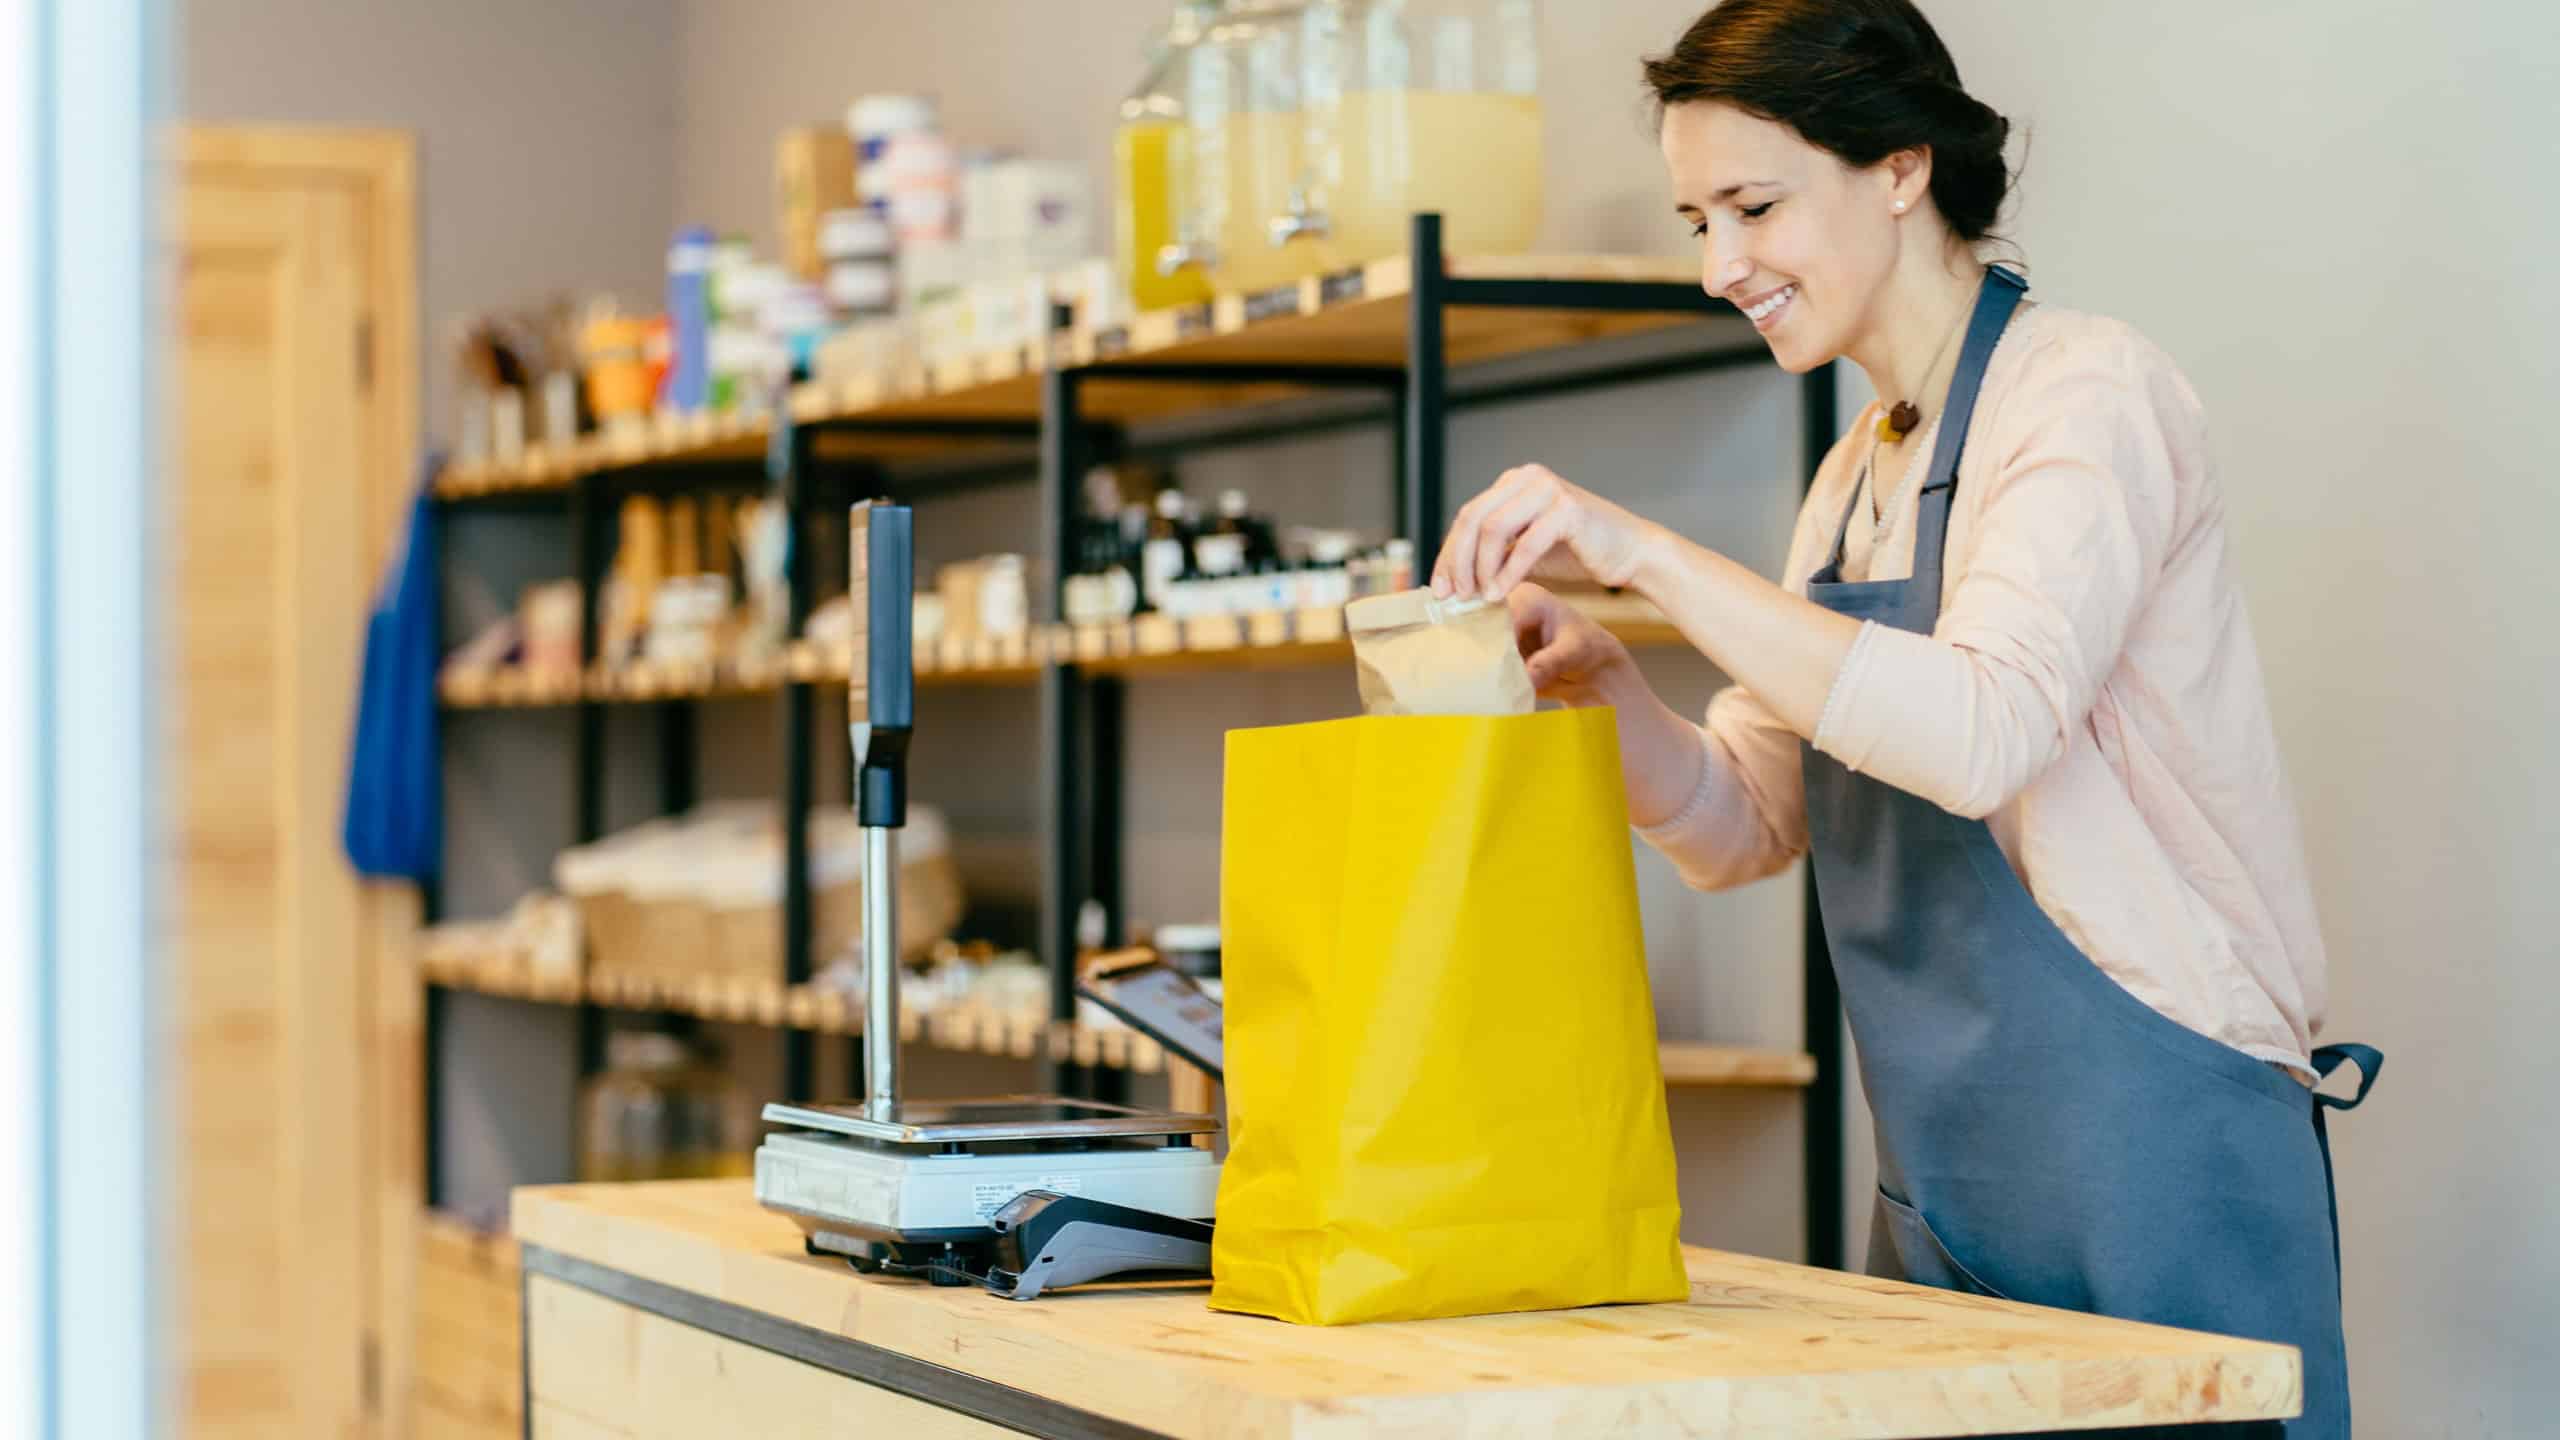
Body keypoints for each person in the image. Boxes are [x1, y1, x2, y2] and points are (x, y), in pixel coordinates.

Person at [1433, 2, 2378, 1434]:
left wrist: (1648, 556)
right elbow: (1742, 822)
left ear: (1898, 165)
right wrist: (1607, 686)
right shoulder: (1858, 477)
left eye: (1755, 206)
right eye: (1698, 218)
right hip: (1947, 1167)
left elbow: (1981, 730)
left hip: (2153, 1152)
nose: (1719, 266)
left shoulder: (2085, 395)